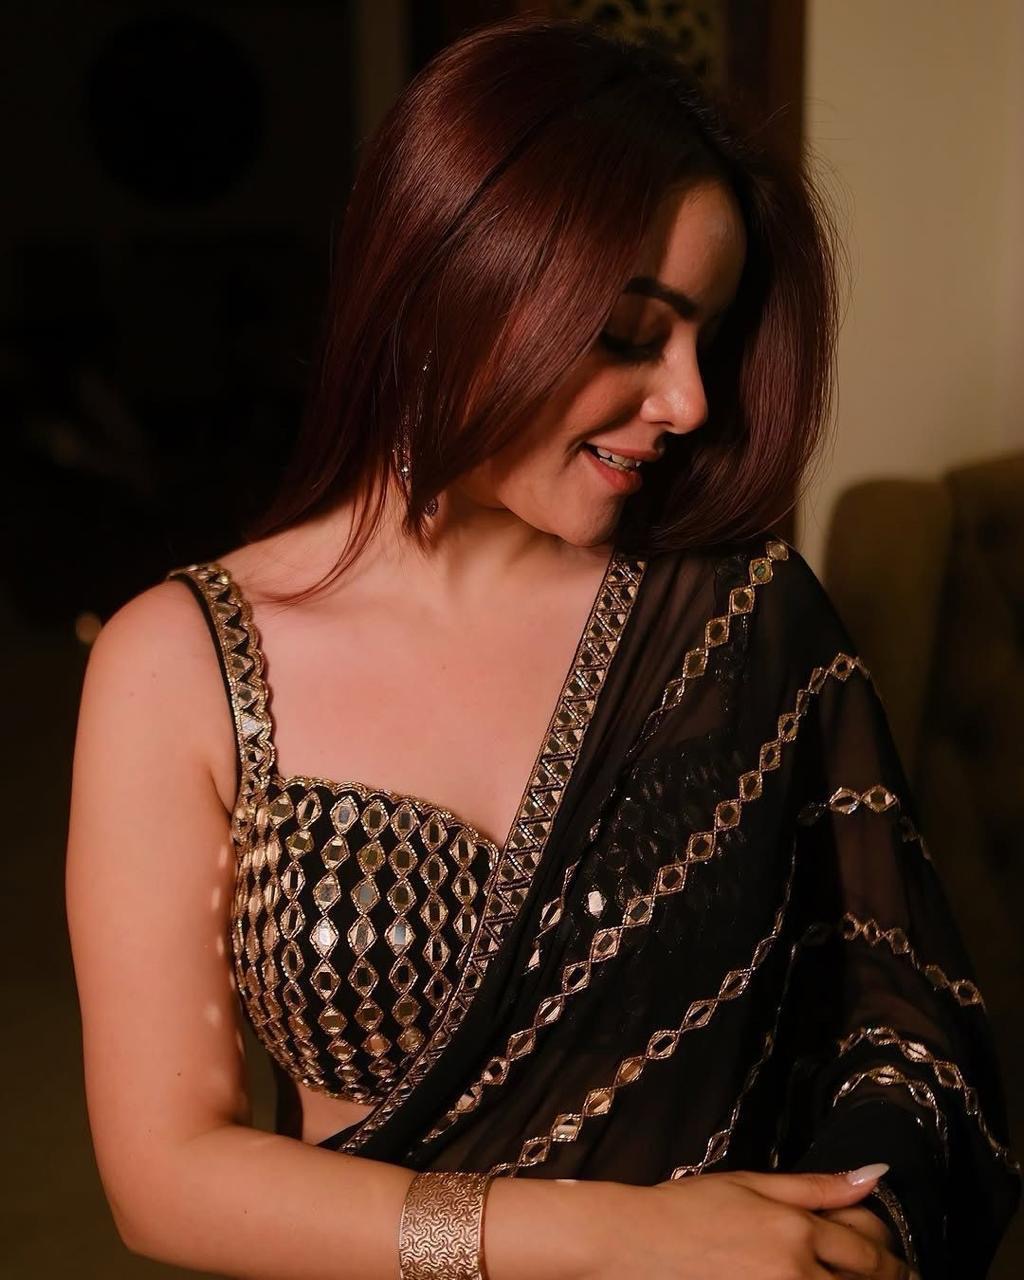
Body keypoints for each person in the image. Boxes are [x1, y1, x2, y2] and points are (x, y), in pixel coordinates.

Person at [65, 14, 1020, 1280]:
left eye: (707, 339)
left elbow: (902, 1021)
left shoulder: (741, 620)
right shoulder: (176, 661)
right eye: (631, 331)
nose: (688, 400)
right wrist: (623, 1237)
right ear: (451, 284)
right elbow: (166, 1171)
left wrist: (846, 1234)